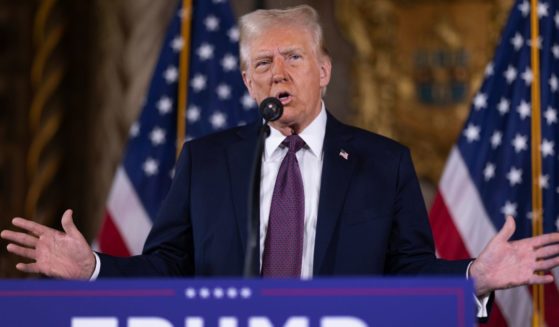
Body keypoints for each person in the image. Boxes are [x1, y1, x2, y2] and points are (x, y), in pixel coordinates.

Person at [2, 5, 559, 319]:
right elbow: (167, 265)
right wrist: (94, 268)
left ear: (324, 71)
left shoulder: (383, 162)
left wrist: (473, 278)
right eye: (263, 63)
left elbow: (407, 270)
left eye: (294, 57)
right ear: (247, 82)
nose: (278, 73)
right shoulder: (206, 160)